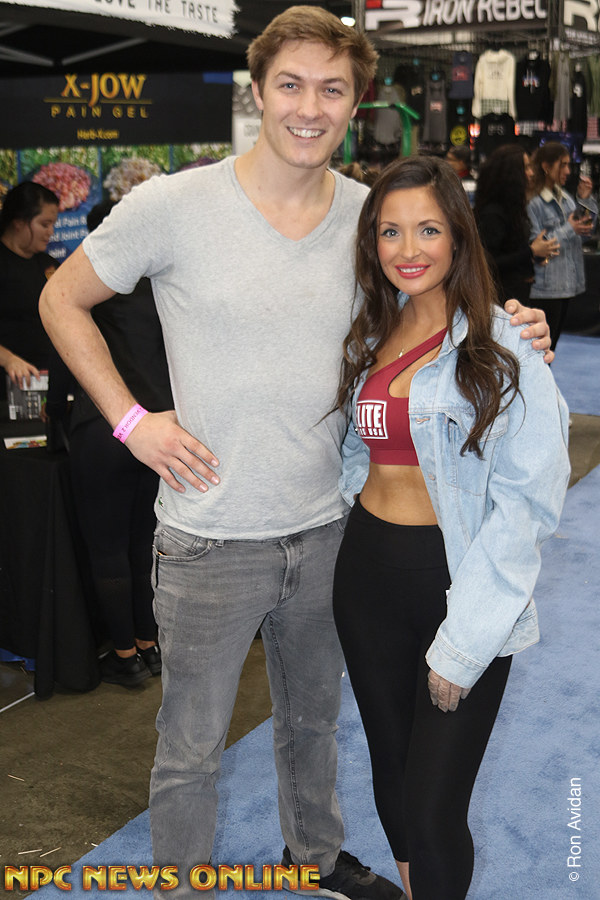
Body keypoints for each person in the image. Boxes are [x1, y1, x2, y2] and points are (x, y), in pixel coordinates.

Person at [39, 7, 552, 898]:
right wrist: (131, 423)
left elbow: (431, 311)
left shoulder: (370, 220)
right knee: (190, 750)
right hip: (208, 536)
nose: (309, 108)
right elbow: (60, 299)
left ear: (356, 102)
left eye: (332, 89)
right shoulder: (173, 205)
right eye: (291, 85)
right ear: (258, 90)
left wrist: (512, 326)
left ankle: (313, 859)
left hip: (332, 535)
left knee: (314, 727)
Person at [332, 155, 570, 900]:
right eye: (390, 231)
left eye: (428, 229)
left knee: (435, 810)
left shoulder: (505, 344)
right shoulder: (367, 332)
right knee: (394, 777)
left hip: (459, 584)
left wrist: (465, 641)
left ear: (459, 237)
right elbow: (353, 455)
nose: (408, 249)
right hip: (366, 576)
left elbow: (528, 505)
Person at [47, 200, 172, 686]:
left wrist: (56, 418)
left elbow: (67, 363)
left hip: (104, 428)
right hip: (157, 430)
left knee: (107, 549)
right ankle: (148, 644)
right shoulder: (159, 288)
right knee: (143, 544)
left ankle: (124, 655)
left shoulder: (85, 291)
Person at [527, 141, 597, 351]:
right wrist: (569, 229)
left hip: (565, 285)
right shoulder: (533, 202)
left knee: (551, 347)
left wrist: (585, 202)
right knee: (539, 350)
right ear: (546, 167)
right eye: (563, 165)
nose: (568, 171)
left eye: (568, 165)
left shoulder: (565, 197)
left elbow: (581, 234)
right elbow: (536, 246)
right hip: (545, 288)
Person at [474, 143, 560, 304]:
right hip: (502, 298)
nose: (531, 173)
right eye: (526, 168)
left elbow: (513, 250)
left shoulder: (514, 207)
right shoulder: (493, 213)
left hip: (518, 293)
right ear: (512, 174)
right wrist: (531, 251)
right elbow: (487, 262)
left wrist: (534, 255)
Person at [0, 181, 58, 394]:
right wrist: (9, 359)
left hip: (49, 384)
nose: (51, 232)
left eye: (53, 225)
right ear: (19, 222)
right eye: (44, 224)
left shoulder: (49, 265)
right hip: (8, 388)